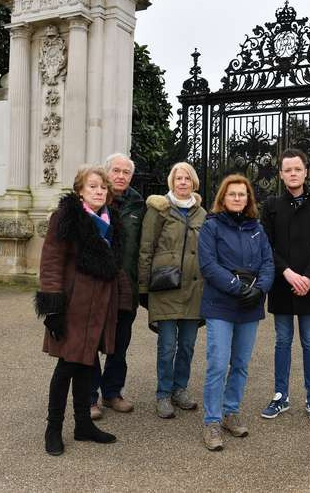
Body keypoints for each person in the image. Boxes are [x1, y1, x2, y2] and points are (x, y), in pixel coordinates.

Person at [34, 165, 123, 456]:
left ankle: (83, 424)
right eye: (93, 186)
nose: (99, 191)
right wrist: (53, 308)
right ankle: (53, 428)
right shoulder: (68, 217)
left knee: (87, 365)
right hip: (73, 305)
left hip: (100, 306)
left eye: (103, 187)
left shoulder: (111, 221)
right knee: (67, 367)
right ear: (80, 190)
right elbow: (51, 262)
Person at [198, 174, 274, 451]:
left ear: (248, 199)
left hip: (250, 303)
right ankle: (212, 421)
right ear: (223, 197)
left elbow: (268, 262)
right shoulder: (211, 226)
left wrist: (260, 288)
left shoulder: (257, 228)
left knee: (240, 364)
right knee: (218, 364)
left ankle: (231, 412)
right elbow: (208, 265)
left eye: (242, 194)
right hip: (221, 302)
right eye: (232, 194)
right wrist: (236, 287)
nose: (237, 198)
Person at [260, 148, 310, 422]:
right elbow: (267, 244)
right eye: (287, 169)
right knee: (282, 340)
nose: (292, 173)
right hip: (282, 282)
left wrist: (308, 277)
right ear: (281, 174)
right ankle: (281, 396)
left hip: (308, 283)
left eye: (297, 169)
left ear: (305, 172)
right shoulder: (271, 206)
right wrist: (287, 273)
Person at [138, 162, 207, 419]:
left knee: (187, 345)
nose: (182, 182)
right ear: (171, 182)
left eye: (187, 178)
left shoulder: (202, 214)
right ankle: (163, 394)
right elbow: (146, 248)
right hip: (165, 288)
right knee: (167, 345)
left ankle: (180, 389)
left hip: (193, 290)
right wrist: (143, 289)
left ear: (193, 183)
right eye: (178, 178)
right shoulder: (159, 210)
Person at [89, 153, 144, 420]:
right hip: (97, 288)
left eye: (126, 172)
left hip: (126, 287)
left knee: (119, 345)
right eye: (116, 171)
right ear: (106, 173)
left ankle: (112, 393)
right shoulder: (94, 202)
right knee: (91, 343)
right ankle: (89, 397)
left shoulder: (139, 204)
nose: (121, 176)